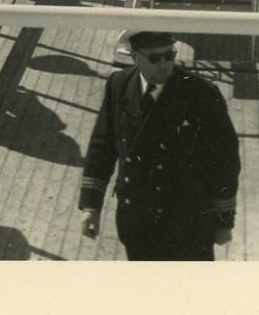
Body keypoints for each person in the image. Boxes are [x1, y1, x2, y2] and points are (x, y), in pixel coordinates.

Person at [79, 29, 241, 261]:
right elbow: (102, 146)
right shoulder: (119, 84)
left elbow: (225, 162)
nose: (164, 64)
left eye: (169, 55)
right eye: (154, 58)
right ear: (135, 57)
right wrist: (90, 207)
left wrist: (224, 221)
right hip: (136, 221)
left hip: (187, 224)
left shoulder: (201, 94)